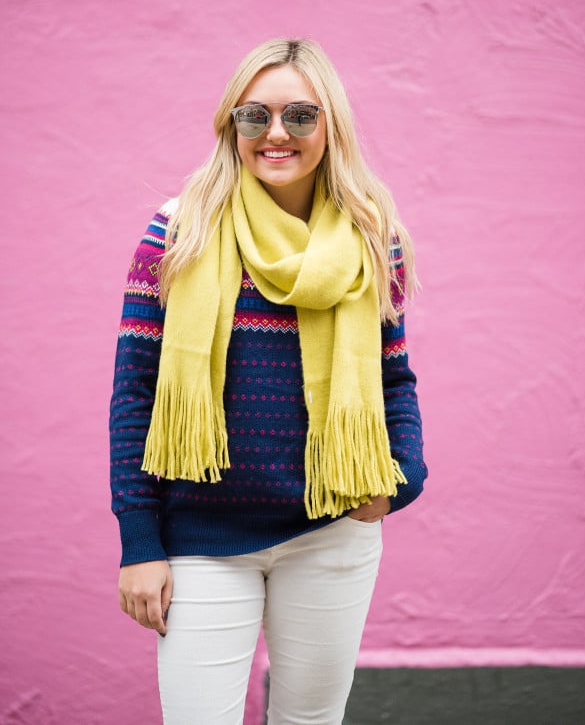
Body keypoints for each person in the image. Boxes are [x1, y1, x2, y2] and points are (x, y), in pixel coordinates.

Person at [109, 38, 427, 725]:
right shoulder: (177, 234)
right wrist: (139, 542)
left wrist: (404, 474)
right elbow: (135, 392)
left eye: (299, 115)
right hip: (202, 535)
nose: (276, 133)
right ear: (232, 126)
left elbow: (393, 375)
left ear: (330, 125)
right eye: (255, 116)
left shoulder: (375, 238)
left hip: (331, 529)